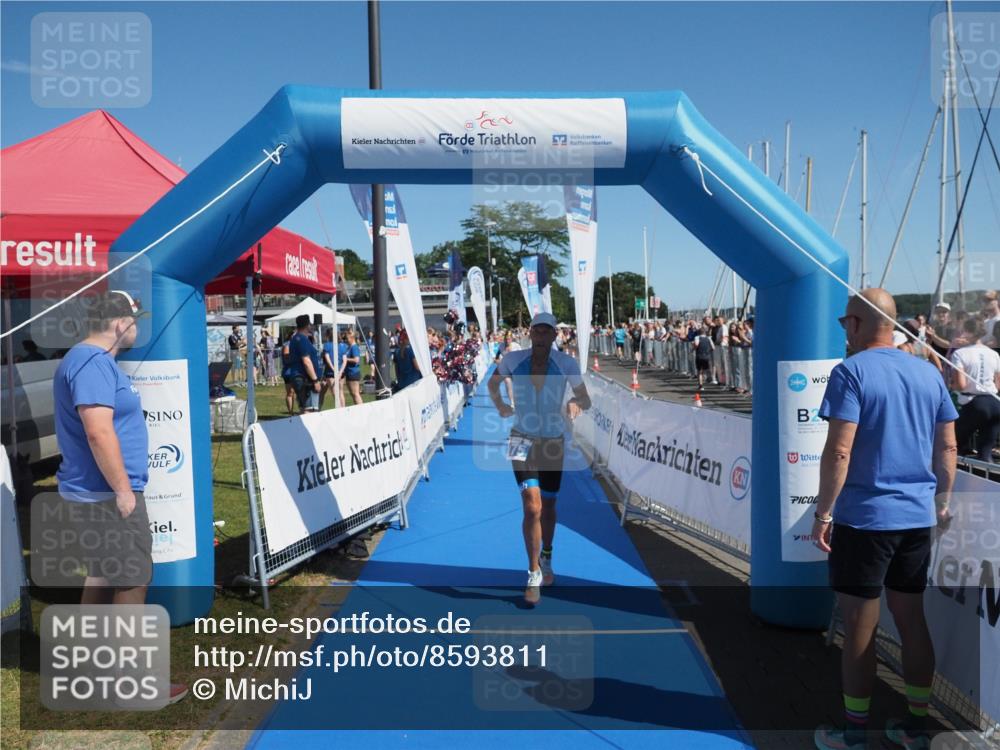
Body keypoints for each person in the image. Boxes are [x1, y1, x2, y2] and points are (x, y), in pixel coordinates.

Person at [812, 288, 957, 750]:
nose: (843, 333)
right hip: (916, 518)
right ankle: (917, 726)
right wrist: (943, 501)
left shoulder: (850, 372)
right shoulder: (926, 372)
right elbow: (948, 448)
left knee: (859, 624)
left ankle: (855, 733)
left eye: (843, 324)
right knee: (911, 619)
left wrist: (822, 512)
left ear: (855, 324)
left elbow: (839, 450)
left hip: (865, 519)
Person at [52, 291, 187, 704]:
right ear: (118, 323)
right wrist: (123, 490)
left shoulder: (89, 361)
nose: (138, 328)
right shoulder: (92, 362)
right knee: (132, 578)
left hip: (94, 492)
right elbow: (98, 430)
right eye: (135, 320)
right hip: (106, 494)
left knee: (104, 573)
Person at [487, 312, 591, 605]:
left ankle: (547, 554)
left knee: (549, 505)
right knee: (532, 507)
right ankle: (533, 573)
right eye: (537, 332)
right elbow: (493, 385)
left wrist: (574, 403)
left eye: (547, 332)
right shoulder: (512, 360)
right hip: (521, 438)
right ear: (530, 333)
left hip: (552, 444)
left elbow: (585, 398)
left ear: (555, 336)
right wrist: (501, 406)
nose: (542, 337)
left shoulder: (566, 364)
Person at [949, 317, 1000, 462]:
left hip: (975, 404)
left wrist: (951, 385)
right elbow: (998, 384)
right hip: (995, 403)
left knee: (955, 443)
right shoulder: (993, 353)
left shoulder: (960, 354)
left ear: (966, 332)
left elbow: (961, 385)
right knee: (985, 453)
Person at [287, 315, 322, 414]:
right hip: (305, 379)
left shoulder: (295, 338)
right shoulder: (302, 339)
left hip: (299, 377)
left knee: (304, 408)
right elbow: (306, 361)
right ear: (307, 325)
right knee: (310, 410)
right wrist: (315, 380)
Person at [342, 329, 363, 406]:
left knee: (355, 394)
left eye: (347, 338)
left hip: (353, 372)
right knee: (353, 394)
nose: (346, 340)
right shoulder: (350, 347)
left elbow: (356, 360)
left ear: (352, 338)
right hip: (350, 372)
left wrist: (345, 359)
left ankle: (361, 409)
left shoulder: (354, 347)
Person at [319, 330, 339, 410]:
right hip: (329, 373)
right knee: (322, 392)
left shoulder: (327, 345)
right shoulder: (339, 345)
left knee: (335, 393)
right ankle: (318, 409)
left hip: (330, 372)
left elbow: (325, 358)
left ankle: (340, 411)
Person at [692, 325, 714, 391]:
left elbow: (696, 344)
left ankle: (701, 386)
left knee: (700, 371)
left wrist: (693, 347)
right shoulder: (708, 338)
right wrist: (708, 351)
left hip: (699, 355)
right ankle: (709, 378)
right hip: (707, 356)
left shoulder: (697, 337)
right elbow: (713, 347)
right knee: (707, 368)